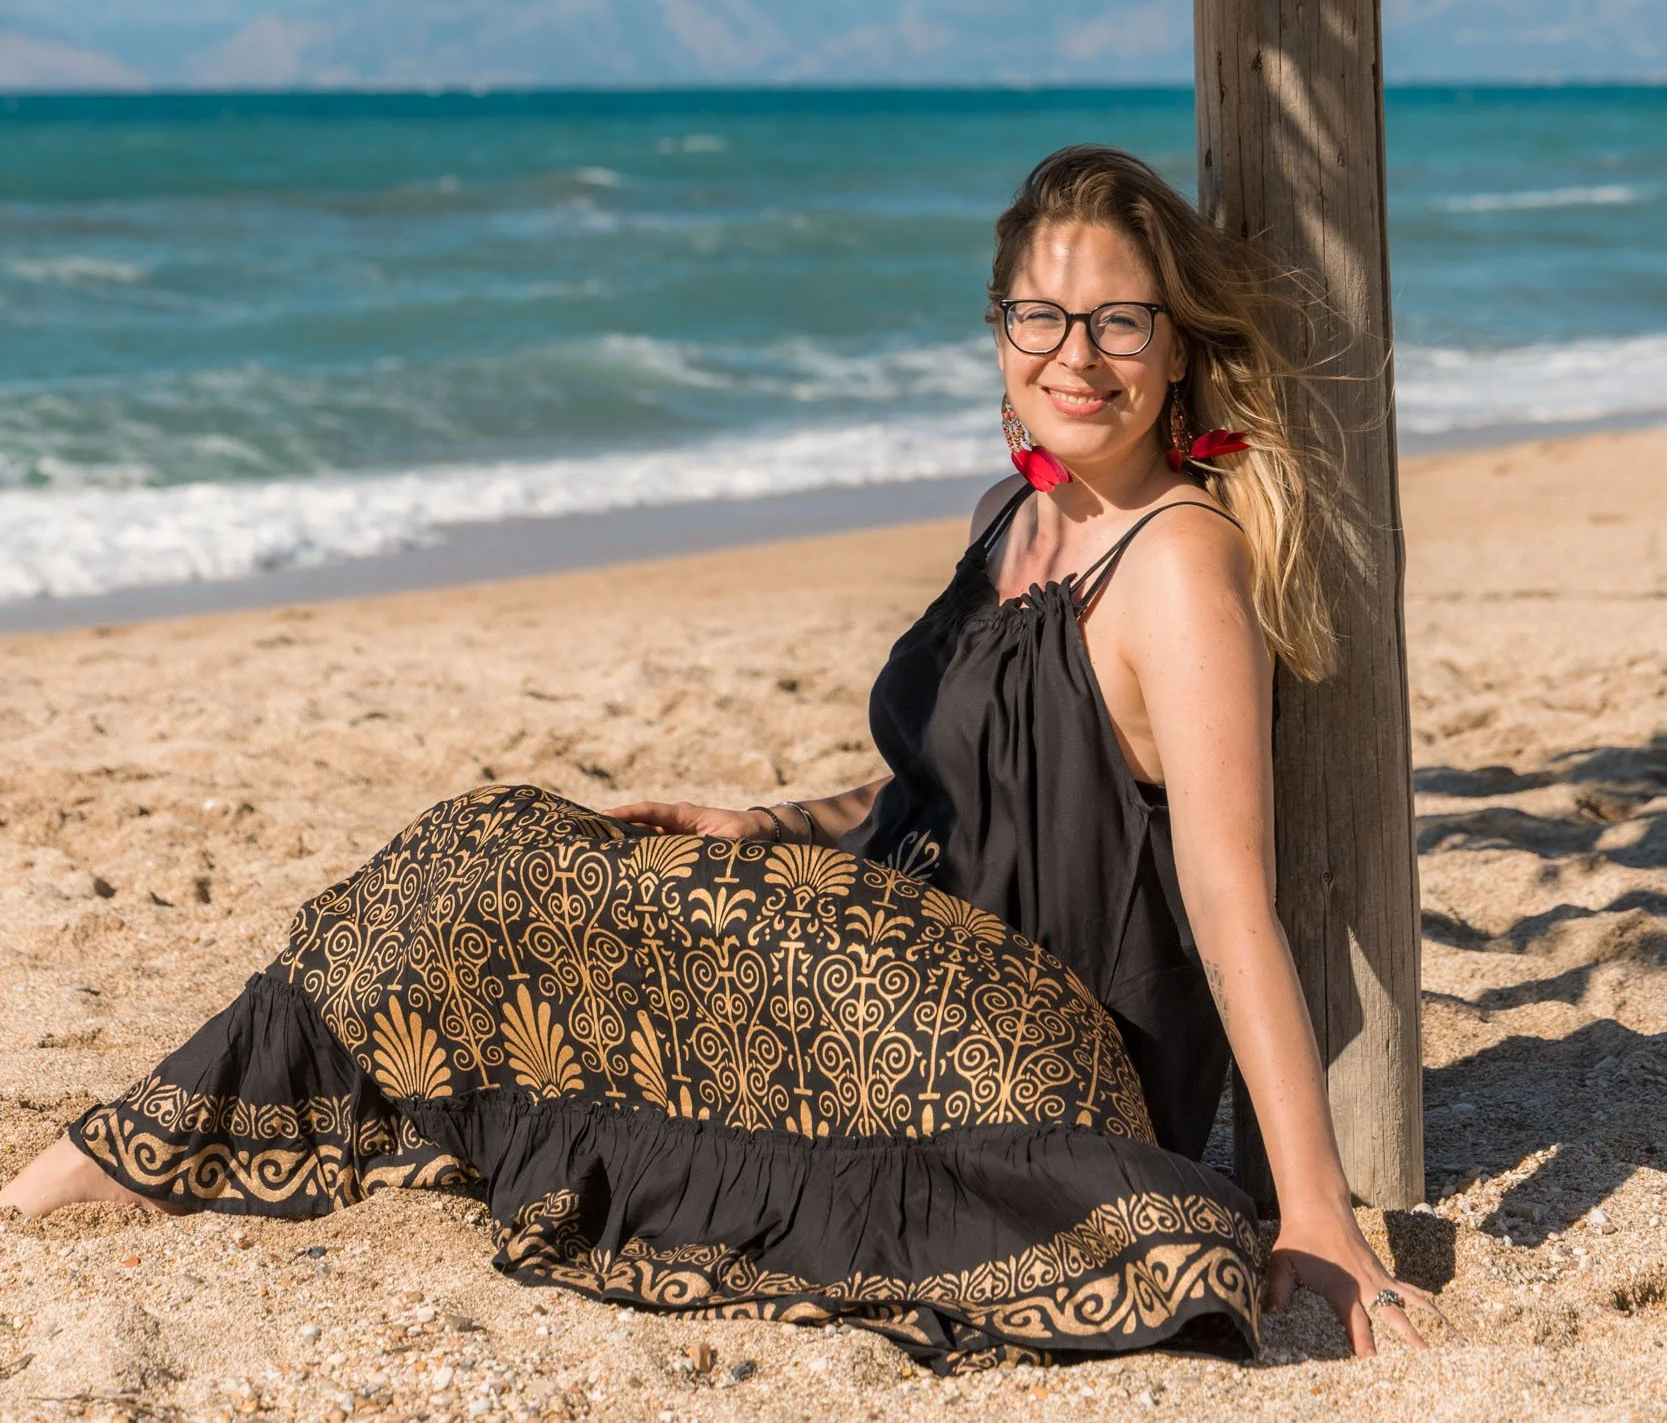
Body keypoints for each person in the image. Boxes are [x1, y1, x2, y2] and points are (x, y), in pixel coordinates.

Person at [2, 146, 1434, 1367]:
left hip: (1028, 1043)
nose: (1075, 357)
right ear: (997, 325)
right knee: (523, 851)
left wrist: (1307, 1206)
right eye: (1040, 316)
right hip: (897, 958)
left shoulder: (1178, 563)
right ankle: (176, 1138)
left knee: (496, 851)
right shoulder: (1021, 517)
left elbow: (1225, 894)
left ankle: (144, 1152)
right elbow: (979, 782)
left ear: (1175, 341)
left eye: (1117, 323)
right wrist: (772, 823)